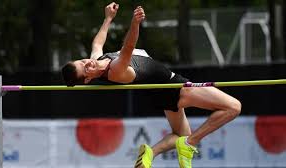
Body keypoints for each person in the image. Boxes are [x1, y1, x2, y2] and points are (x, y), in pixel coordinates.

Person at [62, 2, 241, 168]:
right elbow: (128, 48)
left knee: (181, 134)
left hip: (160, 93)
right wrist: (135, 23)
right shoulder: (115, 71)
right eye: (85, 70)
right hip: (174, 87)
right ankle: (190, 144)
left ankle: (150, 153)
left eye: (82, 61)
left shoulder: (97, 60)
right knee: (233, 107)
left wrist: (108, 18)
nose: (87, 64)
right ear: (87, 80)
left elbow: (98, 42)